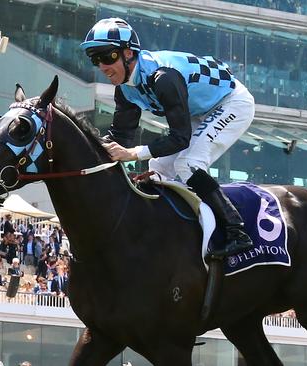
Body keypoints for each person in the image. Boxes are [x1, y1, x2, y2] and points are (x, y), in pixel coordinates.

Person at [80, 18, 255, 259]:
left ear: (128, 53)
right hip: (199, 110)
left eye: (108, 57)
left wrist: (134, 154)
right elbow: (120, 138)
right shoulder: (125, 88)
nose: (103, 66)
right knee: (158, 167)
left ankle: (236, 231)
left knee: (188, 163)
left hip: (231, 103)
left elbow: (180, 138)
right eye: (95, 59)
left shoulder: (163, 78)